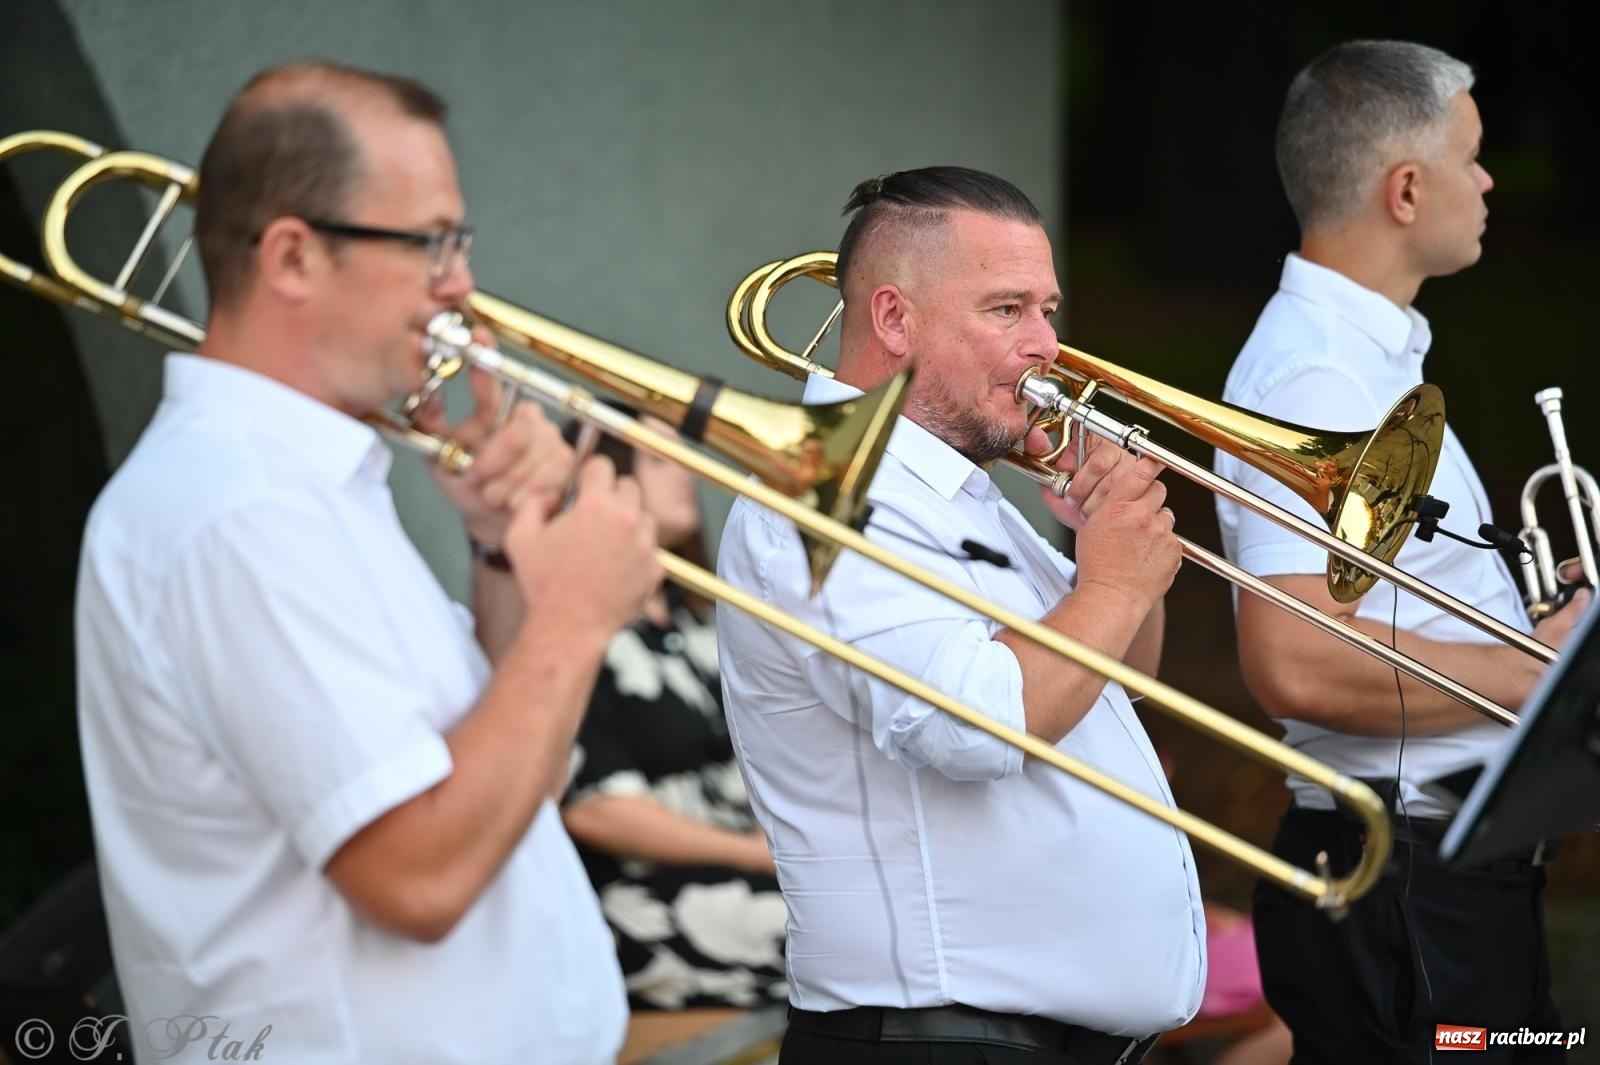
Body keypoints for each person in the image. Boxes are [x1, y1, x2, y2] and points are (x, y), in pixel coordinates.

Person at [74, 61, 661, 1064]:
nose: (462, 285)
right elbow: (418, 877)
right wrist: (574, 619)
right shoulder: (238, 512)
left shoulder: (302, 486)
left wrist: (504, 550)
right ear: (294, 258)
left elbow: (495, 775)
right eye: (432, 242)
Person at [716, 167, 1206, 1065]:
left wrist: (1118, 558)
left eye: (1048, 308)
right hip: (933, 1039)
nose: (1048, 345)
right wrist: (1113, 586)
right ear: (896, 319)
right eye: (1007, 309)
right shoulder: (824, 491)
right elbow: (974, 725)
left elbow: (1111, 689)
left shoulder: (953, 490)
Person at [1214, 40, 1589, 1064]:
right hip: (1406, 886)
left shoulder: (1367, 360)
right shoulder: (1316, 380)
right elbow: (1290, 662)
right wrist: (1534, 672)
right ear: (1407, 189)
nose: (1488, 180)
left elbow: (1395, 615)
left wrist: (1537, 630)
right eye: (1471, 157)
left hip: (1437, 884)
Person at [557, 415, 788, 1011]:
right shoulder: (575, 631)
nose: (685, 471)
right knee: (844, 940)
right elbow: (597, 809)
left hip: (752, 871)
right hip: (637, 901)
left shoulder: (694, 625)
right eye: (658, 460)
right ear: (601, 479)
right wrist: (757, 854)